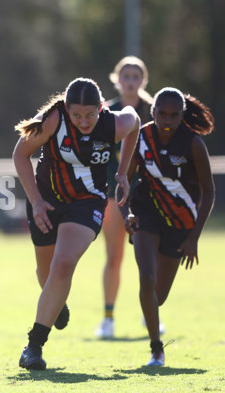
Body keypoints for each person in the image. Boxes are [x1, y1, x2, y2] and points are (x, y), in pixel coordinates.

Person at [12, 77, 140, 370]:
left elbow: (134, 121)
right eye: (77, 115)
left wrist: (122, 171)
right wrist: (35, 202)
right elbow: (20, 154)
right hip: (46, 201)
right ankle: (55, 306)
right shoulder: (52, 119)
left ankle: (33, 346)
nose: (84, 122)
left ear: (101, 107)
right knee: (45, 271)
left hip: (87, 203)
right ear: (66, 110)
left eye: (90, 115)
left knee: (63, 264)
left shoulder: (113, 123)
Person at [123, 88, 215, 366]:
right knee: (146, 278)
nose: (167, 120)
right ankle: (156, 350)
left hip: (180, 223)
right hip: (145, 214)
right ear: (152, 112)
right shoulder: (139, 137)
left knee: (157, 297)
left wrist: (193, 238)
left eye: (174, 115)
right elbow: (124, 181)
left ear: (182, 115)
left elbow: (209, 193)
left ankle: (150, 314)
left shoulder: (193, 144)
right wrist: (127, 212)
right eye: (161, 113)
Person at [96, 56, 154, 339]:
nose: (130, 81)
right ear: (117, 79)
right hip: (113, 195)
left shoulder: (156, 111)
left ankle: (151, 315)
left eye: (136, 76)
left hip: (147, 195)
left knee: (149, 258)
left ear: (143, 80)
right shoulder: (106, 112)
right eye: (126, 75)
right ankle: (108, 318)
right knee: (114, 257)